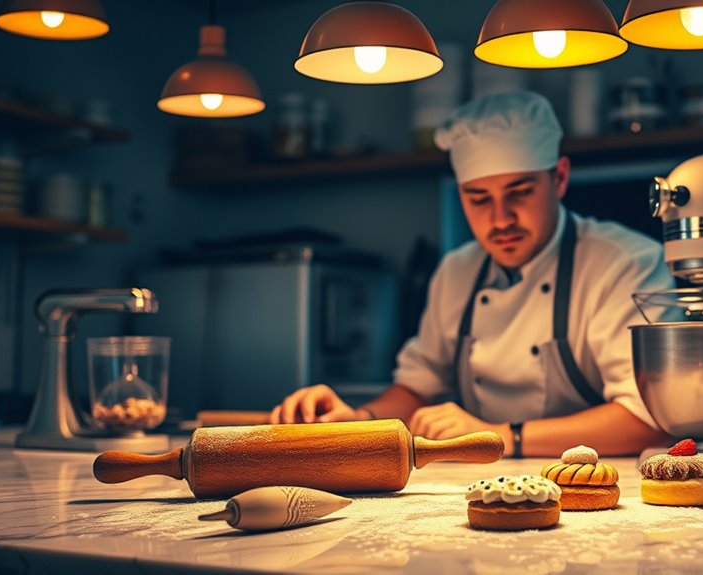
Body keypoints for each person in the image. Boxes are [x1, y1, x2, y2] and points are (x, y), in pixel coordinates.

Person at [272, 91, 673, 456]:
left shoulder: (625, 263)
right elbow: (417, 384)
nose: (500, 219)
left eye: (519, 192)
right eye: (478, 198)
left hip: (598, 485)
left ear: (560, 178)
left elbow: (651, 421)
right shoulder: (457, 271)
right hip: (479, 480)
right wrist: (357, 421)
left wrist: (498, 434)